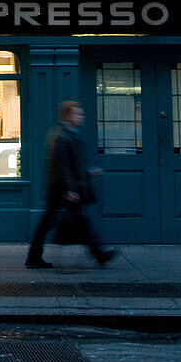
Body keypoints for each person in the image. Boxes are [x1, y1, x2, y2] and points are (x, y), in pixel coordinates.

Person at [26, 100, 117, 269]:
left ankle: (34, 257)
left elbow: (69, 164)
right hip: (63, 188)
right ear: (67, 116)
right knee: (76, 220)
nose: (80, 117)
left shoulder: (64, 134)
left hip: (60, 187)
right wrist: (70, 189)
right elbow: (64, 166)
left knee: (54, 222)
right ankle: (99, 254)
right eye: (77, 114)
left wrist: (87, 172)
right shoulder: (63, 136)